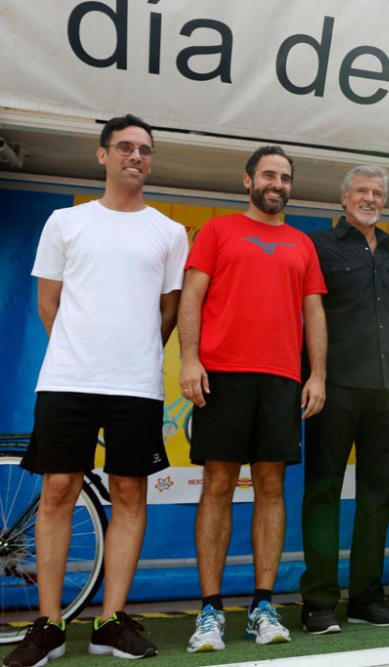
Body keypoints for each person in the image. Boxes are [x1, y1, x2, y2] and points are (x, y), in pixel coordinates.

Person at [5, 114, 187, 667]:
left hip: (135, 385)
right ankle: (49, 625)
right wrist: (84, 352)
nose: (137, 156)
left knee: (131, 495)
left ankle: (111, 621)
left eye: (146, 150)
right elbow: (48, 304)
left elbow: (168, 312)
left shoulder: (169, 231)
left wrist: (132, 355)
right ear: (103, 156)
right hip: (68, 379)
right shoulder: (65, 223)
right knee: (59, 489)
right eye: (126, 147)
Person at [179, 145, 327, 652]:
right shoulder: (217, 231)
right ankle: (210, 611)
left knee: (271, 488)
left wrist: (318, 375)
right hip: (222, 376)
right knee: (217, 485)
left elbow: (314, 314)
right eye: (269, 174)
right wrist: (189, 360)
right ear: (247, 181)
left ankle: (263, 605)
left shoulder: (302, 244)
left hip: (282, 379)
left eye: (285, 177)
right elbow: (192, 296)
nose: (278, 184)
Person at [300, 166, 389, 631]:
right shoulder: (318, 246)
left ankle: (366, 598)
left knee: (377, 497)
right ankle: (318, 602)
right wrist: (315, 376)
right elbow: (307, 314)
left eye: (377, 193)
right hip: (335, 386)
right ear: (343, 199)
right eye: (361, 191)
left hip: (386, 391)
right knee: (322, 492)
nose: (370, 198)